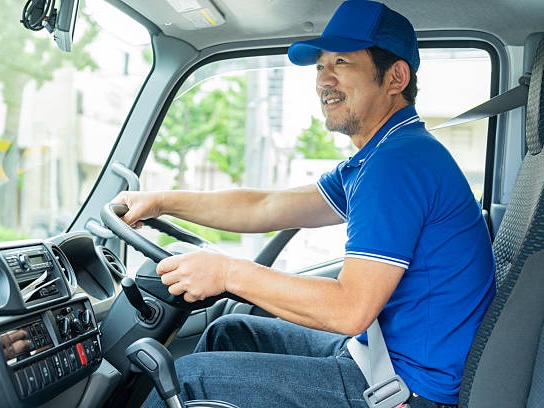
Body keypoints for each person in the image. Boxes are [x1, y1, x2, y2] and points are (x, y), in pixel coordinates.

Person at [115, 1, 495, 407]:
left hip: (407, 390)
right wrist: (161, 201)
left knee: (186, 380)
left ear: (395, 77)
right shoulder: (380, 157)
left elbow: (350, 309)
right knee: (229, 332)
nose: (323, 80)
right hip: (377, 358)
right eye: (320, 66)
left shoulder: (398, 164)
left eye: (342, 62)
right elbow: (266, 206)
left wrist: (227, 272)